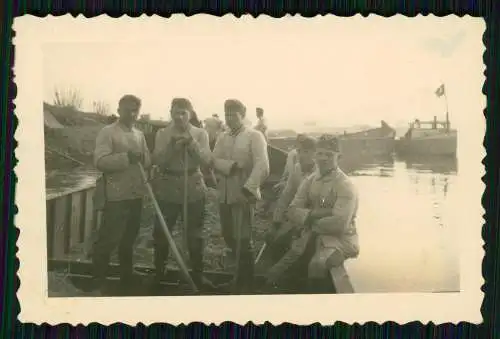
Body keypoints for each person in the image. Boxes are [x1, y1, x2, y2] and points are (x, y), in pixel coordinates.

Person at [266, 135, 359, 293]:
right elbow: (292, 210)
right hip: (312, 232)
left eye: (329, 155)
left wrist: (308, 218)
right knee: (277, 265)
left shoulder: (345, 185)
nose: (323, 158)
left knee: (317, 264)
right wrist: (320, 213)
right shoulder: (310, 180)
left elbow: (339, 225)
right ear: (315, 155)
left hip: (340, 240)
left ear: (339, 157)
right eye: (320, 153)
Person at [86, 94, 152, 292]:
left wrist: (144, 158)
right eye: (128, 110)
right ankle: (98, 280)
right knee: (108, 238)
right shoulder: (108, 132)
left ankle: (126, 276)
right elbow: (100, 161)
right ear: (119, 110)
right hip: (115, 196)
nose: (132, 114)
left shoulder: (140, 135)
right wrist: (126, 158)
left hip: (135, 195)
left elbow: (147, 161)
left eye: (135, 110)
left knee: (129, 238)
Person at [151, 98, 214, 290]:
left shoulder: (200, 133)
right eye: (175, 112)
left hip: (193, 187)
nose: (179, 117)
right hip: (168, 187)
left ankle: (198, 273)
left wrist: (192, 145)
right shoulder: (162, 133)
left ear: (190, 114)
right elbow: (157, 161)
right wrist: (172, 148)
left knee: (194, 234)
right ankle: (159, 272)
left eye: (183, 113)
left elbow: (206, 162)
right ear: (170, 112)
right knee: (162, 233)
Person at [211, 99, 270, 293]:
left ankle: (246, 282)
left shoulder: (254, 136)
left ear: (242, 115)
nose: (229, 118)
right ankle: (237, 277)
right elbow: (214, 160)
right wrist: (231, 166)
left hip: (244, 193)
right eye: (226, 114)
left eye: (233, 114)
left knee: (244, 238)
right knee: (229, 235)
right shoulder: (222, 137)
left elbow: (263, 165)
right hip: (225, 194)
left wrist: (249, 188)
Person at [261, 135, 318, 267]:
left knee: (305, 249)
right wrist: (276, 223)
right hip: (297, 216)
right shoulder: (297, 168)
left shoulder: (320, 172)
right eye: (298, 151)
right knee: (274, 239)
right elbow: (286, 196)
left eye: (305, 152)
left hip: (314, 221)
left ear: (315, 154)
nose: (300, 155)